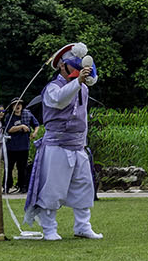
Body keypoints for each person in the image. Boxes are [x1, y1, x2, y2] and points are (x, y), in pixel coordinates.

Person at [23, 42, 103, 241]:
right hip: (57, 146)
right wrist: (77, 82)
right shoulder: (52, 88)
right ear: (61, 65)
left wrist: (84, 142)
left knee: (84, 187)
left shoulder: (83, 89)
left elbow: (82, 117)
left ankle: (83, 226)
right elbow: (60, 100)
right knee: (53, 189)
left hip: (78, 145)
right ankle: (49, 229)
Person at [1, 97, 37, 193]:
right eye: (15, 104)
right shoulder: (9, 116)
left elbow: (36, 125)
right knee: (9, 168)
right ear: (12, 107)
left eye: (19, 104)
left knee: (22, 168)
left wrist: (34, 133)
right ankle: (7, 186)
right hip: (11, 147)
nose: (18, 106)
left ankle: (22, 186)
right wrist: (21, 126)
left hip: (24, 146)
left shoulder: (27, 115)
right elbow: (9, 129)